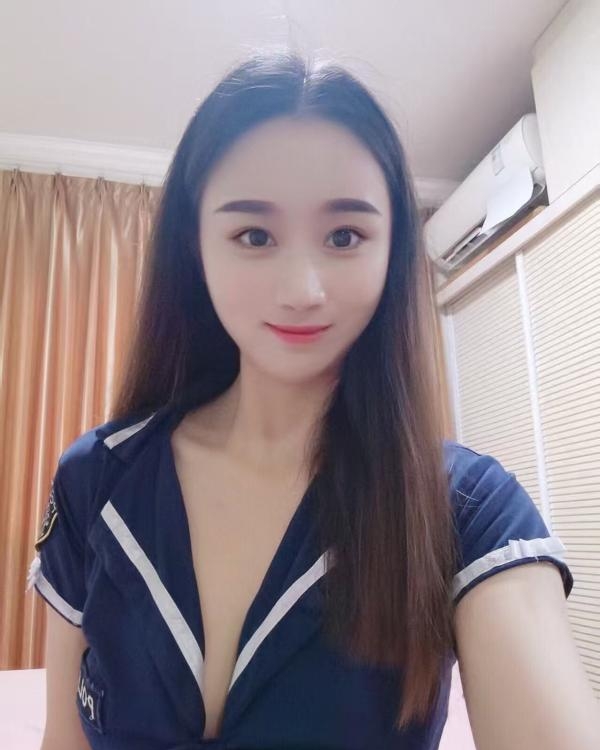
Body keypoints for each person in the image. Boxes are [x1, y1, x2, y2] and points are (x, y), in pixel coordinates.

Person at [27, 49, 587, 750]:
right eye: (254, 235)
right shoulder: (98, 480)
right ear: (195, 247)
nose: (302, 289)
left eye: (345, 236)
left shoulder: (465, 510)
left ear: (392, 250)